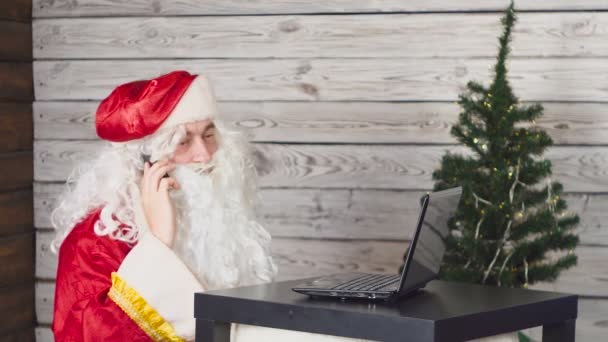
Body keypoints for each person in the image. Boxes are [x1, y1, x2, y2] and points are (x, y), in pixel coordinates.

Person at [49, 70, 516, 342]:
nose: (204, 154)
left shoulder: (213, 211)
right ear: (143, 160)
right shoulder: (95, 239)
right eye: (182, 140)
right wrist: (158, 243)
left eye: (209, 133)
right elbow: (85, 336)